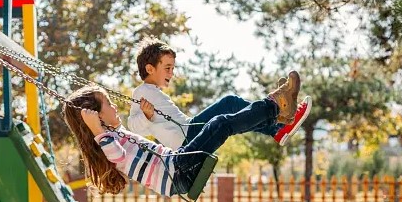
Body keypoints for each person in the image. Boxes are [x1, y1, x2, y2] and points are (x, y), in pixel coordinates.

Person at [63, 74, 306, 197]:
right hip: (176, 171)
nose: (114, 106)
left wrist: (146, 117)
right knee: (220, 124)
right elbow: (118, 155)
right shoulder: (107, 142)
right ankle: (275, 106)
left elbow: (133, 143)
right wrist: (95, 129)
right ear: (97, 117)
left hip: (176, 164)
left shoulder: (112, 134)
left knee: (220, 121)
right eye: (107, 104)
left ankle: (278, 117)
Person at [127, 36, 312, 149]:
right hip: (187, 136)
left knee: (232, 113)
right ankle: (279, 123)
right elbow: (133, 127)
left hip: (188, 131)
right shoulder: (141, 91)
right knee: (230, 103)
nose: (171, 73)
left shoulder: (152, 91)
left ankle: (278, 128)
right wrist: (146, 115)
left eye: (173, 68)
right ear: (150, 69)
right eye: (167, 67)